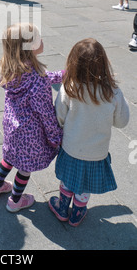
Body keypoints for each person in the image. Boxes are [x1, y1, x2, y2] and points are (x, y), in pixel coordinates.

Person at [49, 38, 130, 226]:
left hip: (71, 148)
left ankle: (62, 208)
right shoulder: (113, 91)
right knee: (85, 185)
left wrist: (61, 128)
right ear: (103, 64)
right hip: (97, 153)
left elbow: (59, 115)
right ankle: (78, 212)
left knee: (68, 180)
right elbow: (122, 122)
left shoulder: (70, 86)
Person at [0, 22, 63, 212]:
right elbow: (46, 114)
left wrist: (62, 75)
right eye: (38, 39)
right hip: (31, 133)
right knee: (25, 168)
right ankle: (15, 200)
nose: (42, 40)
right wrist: (55, 137)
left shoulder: (10, 68)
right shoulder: (38, 80)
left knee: (10, 156)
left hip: (12, 127)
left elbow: (44, 76)